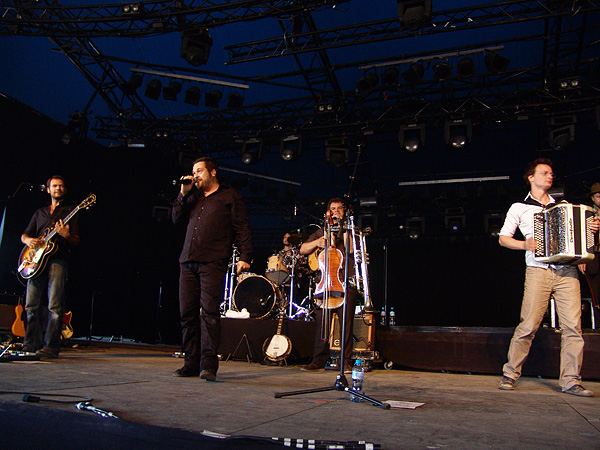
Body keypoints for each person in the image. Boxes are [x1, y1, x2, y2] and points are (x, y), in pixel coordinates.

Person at [497, 158, 600, 397]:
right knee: (529, 325)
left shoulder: (564, 206)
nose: (549, 176)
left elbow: (582, 238)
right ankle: (510, 373)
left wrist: (591, 230)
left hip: (567, 271)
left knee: (573, 328)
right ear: (531, 178)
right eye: (544, 173)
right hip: (538, 271)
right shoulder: (520, 208)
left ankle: (571, 380)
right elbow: (503, 238)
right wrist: (525, 244)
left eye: (551, 173)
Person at [172, 157, 252, 381]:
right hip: (187, 260)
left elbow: (242, 226)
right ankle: (190, 362)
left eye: (199, 171)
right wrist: (182, 193)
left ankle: (208, 365)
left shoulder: (230, 196)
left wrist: (245, 256)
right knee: (187, 314)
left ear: (213, 172)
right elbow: (175, 219)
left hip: (213, 261)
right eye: (193, 171)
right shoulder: (192, 197)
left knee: (209, 313)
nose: (195, 175)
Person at [21, 175, 80, 359]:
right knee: (31, 305)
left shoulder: (71, 211)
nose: (58, 189)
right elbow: (24, 235)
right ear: (48, 190)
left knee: (54, 305)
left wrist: (65, 234)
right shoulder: (40, 213)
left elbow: (76, 240)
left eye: (61, 186)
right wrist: (29, 241)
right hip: (35, 262)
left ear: (65, 190)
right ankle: (30, 344)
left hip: (57, 261)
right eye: (54, 186)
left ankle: (50, 347)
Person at [299, 198, 357, 373]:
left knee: (346, 323)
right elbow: (302, 249)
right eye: (333, 209)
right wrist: (317, 243)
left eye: (340, 208)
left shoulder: (350, 230)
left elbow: (352, 249)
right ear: (328, 213)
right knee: (322, 323)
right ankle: (318, 360)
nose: (337, 211)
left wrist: (344, 229)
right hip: (325, 283)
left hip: (345, 282)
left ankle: (345, 361)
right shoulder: (321, 232)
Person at [578, 182, 600, 314]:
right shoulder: (587, 213)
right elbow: (580, 236)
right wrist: (581, 259)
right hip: (593, 256)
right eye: (598, 196)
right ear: (592, 198)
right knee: (596, 293)